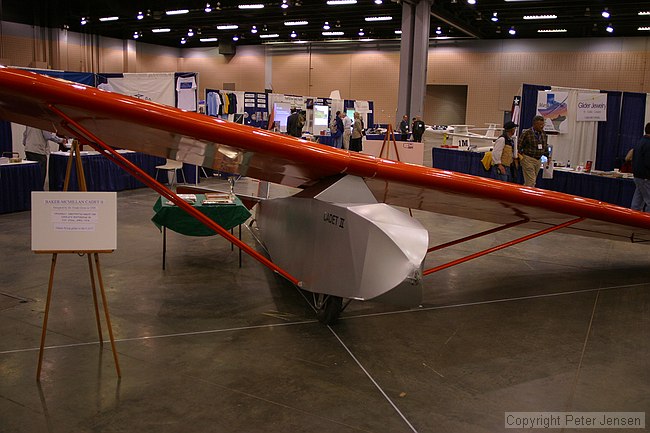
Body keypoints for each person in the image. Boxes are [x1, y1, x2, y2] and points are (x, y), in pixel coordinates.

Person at [517, 115, 548, 187]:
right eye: (540, 124)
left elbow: (545, 146)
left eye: (543, 124)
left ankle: (523, 195)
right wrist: (520, 157)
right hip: (528, 159)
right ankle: (528, 197)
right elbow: (519, 145)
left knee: (530, 181)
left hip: (538, 160)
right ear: (534, 124)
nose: (542, 126)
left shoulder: (543, 133)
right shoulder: (527, 133)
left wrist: (548, 156)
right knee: (531, 181)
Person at [630, 122, 650, 212]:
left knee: (638, 200)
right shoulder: (648, 144)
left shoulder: (640, 142)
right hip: (646, 176)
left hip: (638, 176)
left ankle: (633, 218)